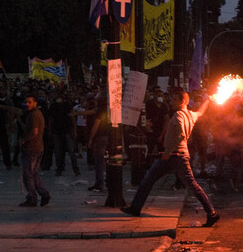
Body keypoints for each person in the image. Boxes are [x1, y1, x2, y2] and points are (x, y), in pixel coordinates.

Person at [121, 91, 220, 227]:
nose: (171, 101)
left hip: (176, 156)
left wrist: (167, 151)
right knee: (149, 179)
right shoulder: (191, 115)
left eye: (174, 99)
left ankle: (212, 213)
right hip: (174, 156)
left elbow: (180, 135)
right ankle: (135, 208)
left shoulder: (179, 115)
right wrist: (208, 100)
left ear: (183, 102)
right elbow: (201, 112)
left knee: (192, 185)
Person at [18, 93, 50, 207]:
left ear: (35, 103)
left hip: (32, 148)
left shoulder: (34, 115)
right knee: (33, 173)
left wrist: (24, 140)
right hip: (37, 147)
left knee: (28, 175)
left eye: (29, 102)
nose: (27, 104)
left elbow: (34, 132)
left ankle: (32, 197)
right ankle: (43, 193)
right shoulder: (34, 114)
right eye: (26, 102)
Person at [87, 98, 112, 192]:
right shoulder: (112, 110)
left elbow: (96, 125)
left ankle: (99, 183)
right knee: (109, 161)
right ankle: (109, 181)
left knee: (99, 161)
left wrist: (90, 139)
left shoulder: (100, 112)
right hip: (110, 137)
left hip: (101, 137)